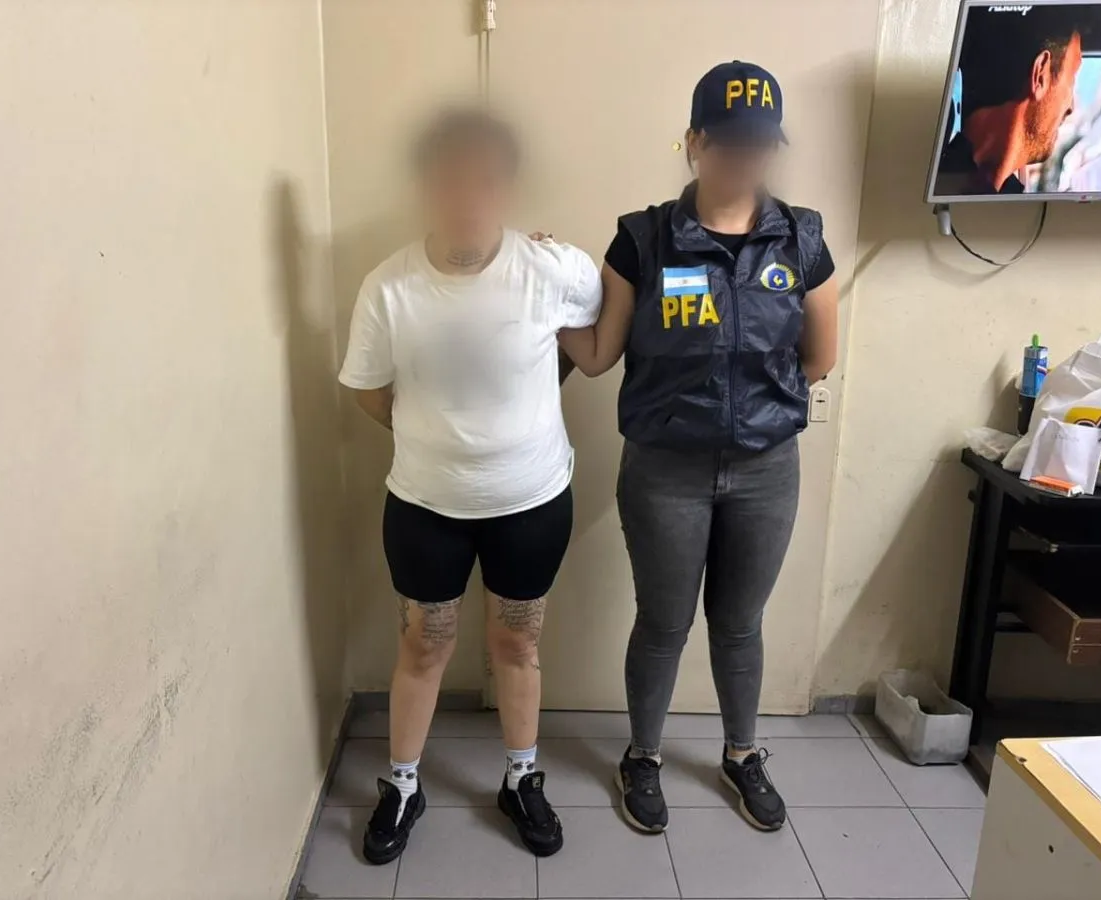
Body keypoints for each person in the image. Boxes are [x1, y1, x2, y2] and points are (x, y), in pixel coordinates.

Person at [558, 61, 839, 834]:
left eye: (759, 143)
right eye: (726, 142)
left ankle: (742, 754)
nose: (744, 158)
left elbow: (819, 358)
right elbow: (598, 354)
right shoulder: (643, 240)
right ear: (693, 142)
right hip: (665, 472)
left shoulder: (801, 239)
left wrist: (756, 411)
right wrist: (540, 286)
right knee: (663, 622)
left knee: (741, 623)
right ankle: (642, 757)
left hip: (766, 471)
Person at [337, 108, 602, 863]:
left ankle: (521, 779)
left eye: (485, 180)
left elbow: (592, 335)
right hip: (425, 506)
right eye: (450, 180)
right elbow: (368, 390)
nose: (467, 196)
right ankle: (403, 784)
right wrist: (436, 437)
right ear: (425, 188)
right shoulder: (388, 287)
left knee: (518, 643)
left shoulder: (555, 269)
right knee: (425, 646)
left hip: (532, 501)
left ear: (508, 187)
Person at [935, 7, 1083, 195]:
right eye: (1072, 78)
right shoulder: (948, 188)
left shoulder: (946, 176)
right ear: (1040, 75)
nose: (1071, 107)